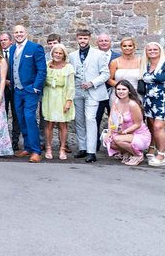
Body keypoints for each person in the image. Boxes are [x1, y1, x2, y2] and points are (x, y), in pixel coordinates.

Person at [68, 30, 109, 163]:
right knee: (79, 121)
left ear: (89, 39)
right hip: (77, 91)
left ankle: (91, 152)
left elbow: (105, 74)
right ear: (77, 39)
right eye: (80, 38)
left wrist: (92, 83)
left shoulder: (99, 54)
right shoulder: (72, 55)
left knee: (90, 119)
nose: (83, 41)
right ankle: (82, 148)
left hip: (93, 91)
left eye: (85, 38)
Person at [9, 25, 46, 163]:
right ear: (14, 34)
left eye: (21, 32)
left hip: (30, 90)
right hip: (17, 90)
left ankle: (36, 151)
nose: (19, 34)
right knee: (21, 118)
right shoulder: (13, 48)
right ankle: (28, 147)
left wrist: (36, 87)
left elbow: (42, 70)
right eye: (16, 32)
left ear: (26, 32)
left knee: (30, 117)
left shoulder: (35, 48)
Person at [105, 80, 151, 166]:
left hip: (139, 134)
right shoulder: (116, 101)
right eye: (118, 89)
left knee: (118, 139)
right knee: (108, 141)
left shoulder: (133, 104)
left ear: (129, 91)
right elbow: (111, 118)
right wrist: (109, 132)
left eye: (123, 89)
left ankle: (138, 155)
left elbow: (138, 124)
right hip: (123, 132)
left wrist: (124, 132)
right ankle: (128, 152)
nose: (121, 91)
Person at [42, 44, 75, 160]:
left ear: (64, 55)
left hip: (62, 96)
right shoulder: (46, 65)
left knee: (62, 124)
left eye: (60, 53)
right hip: (49, 96)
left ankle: (62, 149)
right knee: (49, 123)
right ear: (52, 53)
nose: (58, 55)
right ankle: (49, 148)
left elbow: (71, 86)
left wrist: (68, 101)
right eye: (56, 53)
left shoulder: (68, 67)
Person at [94, 33, 121, 149]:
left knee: (116, 120)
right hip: (97, 92)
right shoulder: (93, 55)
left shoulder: (118, 57)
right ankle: (94, 144)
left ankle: (115, 144)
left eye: (106, 40)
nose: (104, 43)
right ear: (97, 43)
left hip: (114, 92)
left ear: (110, 43)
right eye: (101, 41)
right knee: (95, 119)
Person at [0, 31, 19, 150]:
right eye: (1, 40)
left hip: (15, 88)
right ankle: (3, 139)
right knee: (3, 114)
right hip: (2, 89)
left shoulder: (15, 52)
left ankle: (15, 141)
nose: (3, 42)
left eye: (5, 40)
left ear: (10, 41)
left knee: (16, 115)